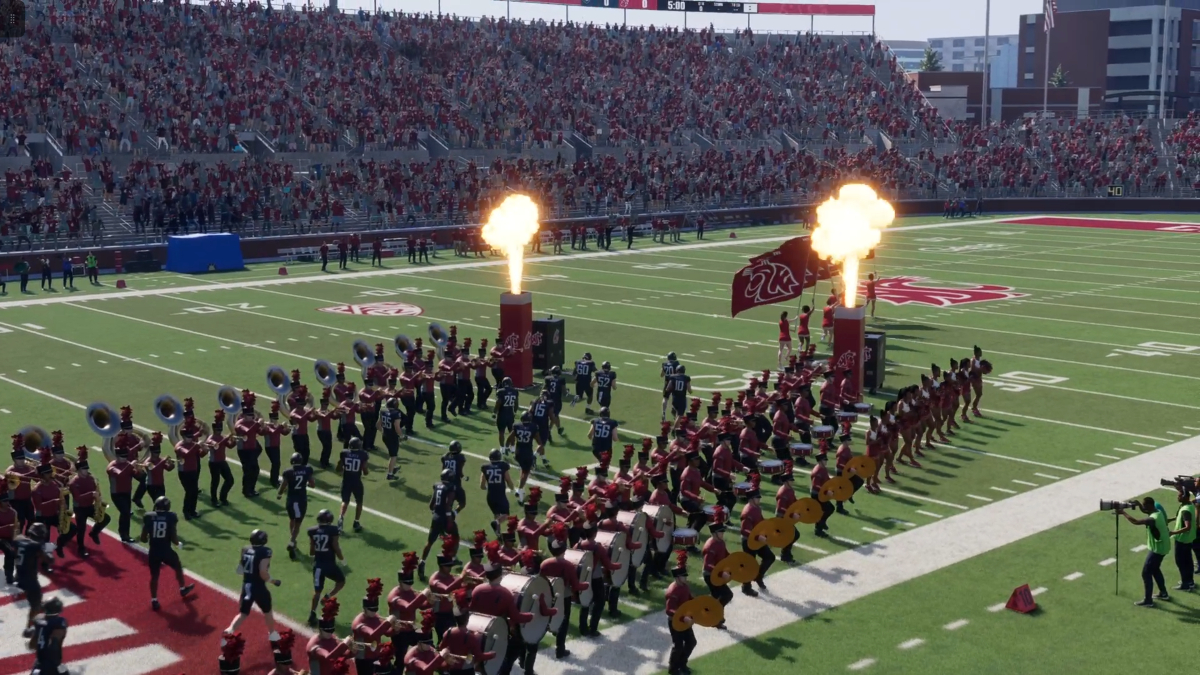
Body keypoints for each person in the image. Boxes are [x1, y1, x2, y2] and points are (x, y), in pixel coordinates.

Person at [140, 496, 196, 610]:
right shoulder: (171, 517)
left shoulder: (148, 517)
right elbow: (173, 536)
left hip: (154, 551)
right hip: (166, 550)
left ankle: (154, 600)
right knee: (177, 566)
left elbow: (143, 538)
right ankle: (182, 588)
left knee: (154, 576)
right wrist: (177, 543)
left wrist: (149, 538)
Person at [226, 529, 284, 641]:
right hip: (258, 587)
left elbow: (239, 570)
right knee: (267, 611)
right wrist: (274, 581)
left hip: (246, 585)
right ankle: (272, 634)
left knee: (243, 613)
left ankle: (229, 630)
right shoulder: (265, 551)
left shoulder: (245, 549)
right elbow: (263, 572)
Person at [1117, 497, 1172, 607]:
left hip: (1158, 549)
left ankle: (1148, 600)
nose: (1144, 508)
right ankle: (1163, 593)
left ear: (1150, 505)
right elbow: (1145, 511)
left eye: (1145, 505)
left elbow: (1136, 521)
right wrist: (1138, 504)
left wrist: (1123, 512)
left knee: (1146, 572)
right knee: (1155, 569)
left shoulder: (1152, 519)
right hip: (1163, 546)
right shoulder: (1158, 512)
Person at [417, 470, 460, 582]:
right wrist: (449, 520)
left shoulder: (437, 486)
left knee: (430, 541)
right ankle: (452, 559)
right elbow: (448, 505)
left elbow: (431, 505)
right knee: (455, 537)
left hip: (436, 517)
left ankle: (422, 561)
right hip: (445, 518)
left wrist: (436, 513)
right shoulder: (451, 487)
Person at [307, 509, 347, 626]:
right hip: (329, 564)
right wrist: (342, 560)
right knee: (341, 581)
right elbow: (335, 546)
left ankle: (312, 613)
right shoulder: (333, 530)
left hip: (318, 565)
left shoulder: (312, 531)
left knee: (317, 591)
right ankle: (328, 597)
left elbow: (312, 550)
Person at [664, 550, 697, 675]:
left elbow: (689, 598)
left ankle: (682, 664)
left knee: (691, 642)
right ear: (678, 578)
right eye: (684, 576)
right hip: (675, 622)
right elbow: (669, 610)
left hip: (685, 619)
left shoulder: (684, 586)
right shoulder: (673, 591)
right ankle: (673, 669)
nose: (686, 578)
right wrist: (683, 617)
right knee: (677, 646)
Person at [14, 523, 51, 632]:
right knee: (36, 605)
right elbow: (49, 560)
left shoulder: (18, 539)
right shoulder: (36, 546)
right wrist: (48, 550)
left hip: (19, 574)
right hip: (29, 579)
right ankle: (29, 629)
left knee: (36, 600)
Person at [278, 452, 315, 558]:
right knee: (298, 523)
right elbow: (312, 485)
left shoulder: (288, 472)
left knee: (292, 520)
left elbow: (283, 485)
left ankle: (293, 540)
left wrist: (279, 494)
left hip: (290, 500)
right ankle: (292, 541)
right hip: (301, 500)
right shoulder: (307, 470)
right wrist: (307, 483)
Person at [27, 596, 67, 674]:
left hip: (39, 661)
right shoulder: (59, 622)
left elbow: (31, 640)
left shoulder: (38, 619)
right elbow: (54, 643)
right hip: (52, 663)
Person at [337, 437, 369, 533]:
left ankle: (340, 517)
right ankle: (356, 522)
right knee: (359, 502)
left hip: (346, 481)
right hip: (356, 482)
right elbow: (365, 471)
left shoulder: (344, 453)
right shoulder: (363, 455)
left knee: (345, 501)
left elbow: (339, 467)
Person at [480, 448, 514, 536]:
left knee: (497, 514)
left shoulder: (485, 467)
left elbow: (482, 485)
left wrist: (488, 487)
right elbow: (508, 480)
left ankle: (498, 534)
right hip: (500, 495)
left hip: (490, 495)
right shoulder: (503, 466)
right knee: (506, 514)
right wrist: (512, 488)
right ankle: (496, 523)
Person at [1169, 486, 1197, 591]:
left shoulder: (1185, 510)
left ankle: (1185, 584)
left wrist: (1173, 532)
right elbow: (1182, 517)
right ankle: (1190, 581)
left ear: (1185, 496)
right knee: (1188, 561)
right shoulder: (1188, 505)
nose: (1178, 497)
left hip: (1182, 540)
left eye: (1180, 495)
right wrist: (1171, 519)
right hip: (1188, 539)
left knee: (1181, 562)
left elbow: (1187, 526)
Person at [207, 409, 236, 506]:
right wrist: (226, 438)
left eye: (220, 429)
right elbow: (215, 445)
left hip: (222, 461)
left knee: (230, 480)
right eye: (217, 429)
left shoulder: (222, 437)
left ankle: (223, 497)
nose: (219, 431)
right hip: (214, 462)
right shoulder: (210, 438)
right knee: (215, 482)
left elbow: (230, 446)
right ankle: (213, 500)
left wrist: (233, 440)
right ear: (214, 429)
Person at [380, 398, 405, 481]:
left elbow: (377, 424)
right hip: (392, 437)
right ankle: (390, 474)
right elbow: (397, 427)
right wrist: (401, 436)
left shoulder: (383, 411)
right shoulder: (396, 413)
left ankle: (393, 467)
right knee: (393, 455)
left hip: (385, 435)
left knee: (392, 453)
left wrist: (383, 431)